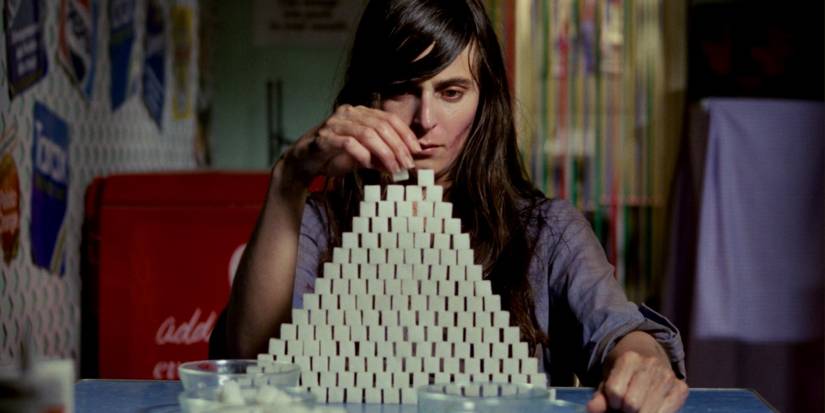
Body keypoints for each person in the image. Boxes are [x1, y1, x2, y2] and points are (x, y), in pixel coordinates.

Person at [210, 0, 688, 411]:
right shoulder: (320, 223)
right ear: (367, 96)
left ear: (485, 102)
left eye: (451, 92)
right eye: (403, 89)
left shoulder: (548, 231)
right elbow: (250, 355)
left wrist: (641, 359)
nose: (425, 121)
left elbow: (619, 331)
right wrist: (288, 177)